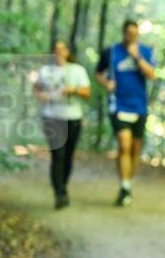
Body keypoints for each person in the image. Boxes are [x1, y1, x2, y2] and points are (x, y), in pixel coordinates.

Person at [95, 19, 156, 207]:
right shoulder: (111, 52)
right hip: (118, 105)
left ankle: (128, 182)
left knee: (135, 148)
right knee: (124, 143)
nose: (131, 36)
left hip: (139, 106)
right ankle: (124, 186)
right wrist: (107, 84)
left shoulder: (145, 51)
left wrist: (137, 57)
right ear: (124, 33)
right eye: (129, 33)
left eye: (134, 34)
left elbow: (152, 75)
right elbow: (98, 73)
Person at [33, 40, 91, 209]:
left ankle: (63, 186)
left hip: (73, 118)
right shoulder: (46, 71)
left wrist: (72, 90)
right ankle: (59, 193)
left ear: (67, 51)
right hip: (51, 118)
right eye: (56, 49)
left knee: (67, 156)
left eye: (62, 49)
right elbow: (36, 88)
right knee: (57, 155)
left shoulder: (77, 70)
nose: (59, 52)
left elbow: (87, 92)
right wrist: (41, 96)